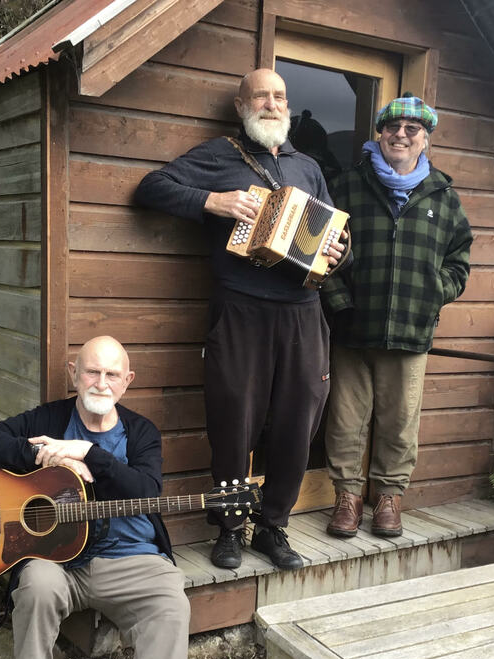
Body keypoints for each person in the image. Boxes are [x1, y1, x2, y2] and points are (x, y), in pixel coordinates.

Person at [135, 68, 346, 571]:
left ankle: (273, 528)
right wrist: (213, 201)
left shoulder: (308, 167)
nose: (272, 104)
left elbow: (333, 239)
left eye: (280, 96)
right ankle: (229, 528)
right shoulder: (218, 155)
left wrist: (339, 252)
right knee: (234, 423)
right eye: (261, 96)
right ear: (241, 105)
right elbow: (150, 188)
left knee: (298, 424)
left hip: (302, 313)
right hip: (240, 309)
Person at [0, 336, 190, 659]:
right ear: (73, 373)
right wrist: (41, 455)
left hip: (130, 560)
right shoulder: (49, 419)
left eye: (112, 374)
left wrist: (90, 454)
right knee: (36, 586)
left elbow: (146, 492)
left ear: (127, 380)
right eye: (92, 372)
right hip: (57, 562)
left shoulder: (141, 432)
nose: (101, 383)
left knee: (171, 603)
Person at [322, 94, 472, 538]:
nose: (400, 135)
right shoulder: (347, 185)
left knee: (400, 424)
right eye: (392, 128)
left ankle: (388, 498)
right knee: (345, 421)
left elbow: (459, 261)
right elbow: (318, 251)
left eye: (411, 130)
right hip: (352, 328)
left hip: (411, 330)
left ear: (425, 139)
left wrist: (433, 294)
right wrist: (338, 301)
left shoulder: (443, 196)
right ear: (380, 134)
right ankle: (347, 498)